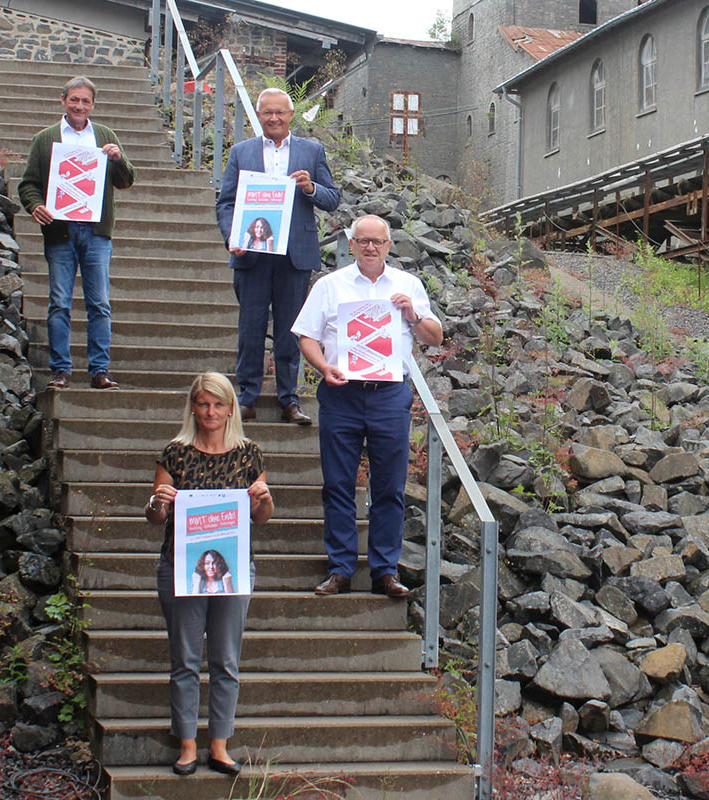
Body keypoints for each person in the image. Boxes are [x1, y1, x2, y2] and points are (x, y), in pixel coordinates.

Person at [291, 215, 443, 598]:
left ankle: (384, 571)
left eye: (378, 241)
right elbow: (306, 336)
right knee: (338, 484)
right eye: (363, 241)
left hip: (389, 394)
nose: (371, 247)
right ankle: (341, 568)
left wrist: (412, 314)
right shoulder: (329, 285)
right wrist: (323, 365)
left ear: (389, 245)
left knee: (389, 487)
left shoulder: (408, 285)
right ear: (352, 244)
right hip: (341, 393)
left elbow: (435, 338)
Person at [144, 372, 273, 776]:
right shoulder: (175, 453)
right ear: (193, 407)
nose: (210, 412)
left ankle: (219, 745)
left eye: (218, 404)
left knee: (226, 659)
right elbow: (154, 518)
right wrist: (157, 502)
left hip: (233, 569)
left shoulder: (250, 453)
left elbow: (261, 519)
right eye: (203, 404)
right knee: (184, 658)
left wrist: (265, 500)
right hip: (182, 568)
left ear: (231, 407)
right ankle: (186, 745)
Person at [216, 87, 340, 426]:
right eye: (267, 112)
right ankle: (247, 397)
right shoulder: (241, 152)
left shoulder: (311, 151)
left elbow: (333, 199)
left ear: (290, 115)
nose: (274, 118)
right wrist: (232, 236)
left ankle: (289, 399)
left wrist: (311, 187)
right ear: (259, 116)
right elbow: (226, 202)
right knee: (250, 329)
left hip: (293, 255)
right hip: (252, 253)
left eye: (280, 112)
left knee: (290, 331)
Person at [18, 75, 135, 391]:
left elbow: (126, 180)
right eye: (74, 99)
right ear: (63, 100)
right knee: (59, 302)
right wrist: (35, 206)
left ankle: (99, 369)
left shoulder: (105, 136)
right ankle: (60, 370)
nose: (79, 106)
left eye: (85, 101)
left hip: (96, 233)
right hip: (60, 232)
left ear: (93, 104)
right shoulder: (46, 139)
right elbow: (27, 184)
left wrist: (118, 158)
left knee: (99, 303)